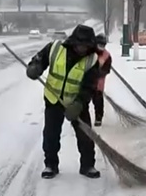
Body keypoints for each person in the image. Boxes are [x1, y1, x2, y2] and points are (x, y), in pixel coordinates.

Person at [27, 24, 102, 179]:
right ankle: (51, 165)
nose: (82, 49)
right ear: (73, 41)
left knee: (85, 135)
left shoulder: (92, 60)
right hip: (53, 99)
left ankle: (88, 165)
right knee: (51, 134)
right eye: (79, 44)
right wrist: (35, 67)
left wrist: (79, 103)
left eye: (86, 46)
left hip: (76, 102)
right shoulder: (55, 48)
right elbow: (38, 60)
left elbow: (89, 86)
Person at [92, 34, 112, 127]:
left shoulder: (106, 56)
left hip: (99, 83)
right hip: (85, 83)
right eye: (100, 44)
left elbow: (107, 69)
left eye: (103, 45)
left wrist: (99, 73)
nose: (101, 47)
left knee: (98, 101)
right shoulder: (90, 52)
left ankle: (98, 118)